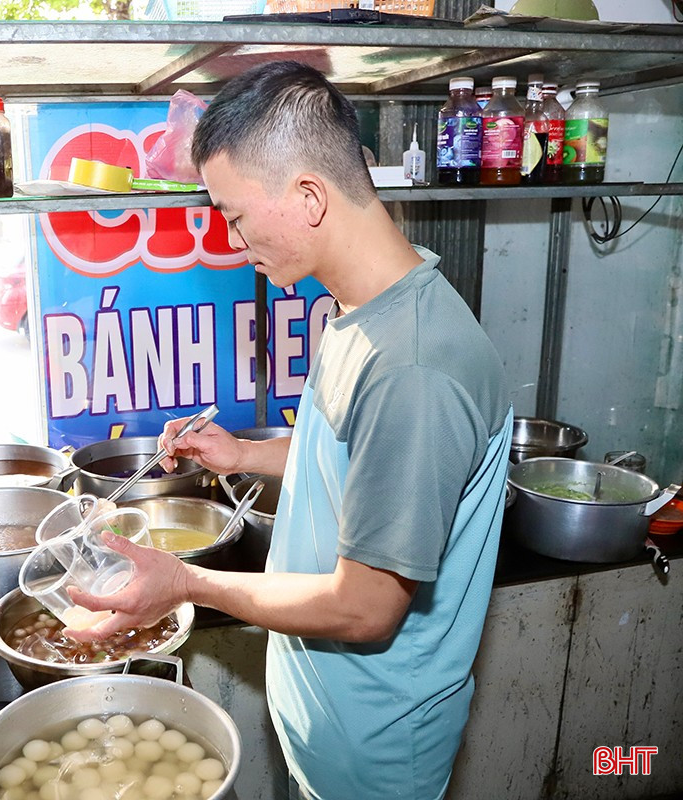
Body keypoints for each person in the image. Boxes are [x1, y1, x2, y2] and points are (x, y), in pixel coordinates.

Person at [69, 62, 513, 800]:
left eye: (235, 214)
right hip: (329, 723)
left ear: (309, 197)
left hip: (374, 755)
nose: (232, 238)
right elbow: (351, 457)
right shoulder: (362, 311)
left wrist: (185, 583)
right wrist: (243, 453)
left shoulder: (414, 366)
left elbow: (365, 609)